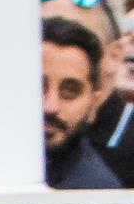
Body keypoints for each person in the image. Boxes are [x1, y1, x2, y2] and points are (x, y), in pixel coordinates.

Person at [42, 18, 123, 189]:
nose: (50, 106)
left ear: (94, 103)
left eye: (70, 92)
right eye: (38, 88)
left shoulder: (98, 195)